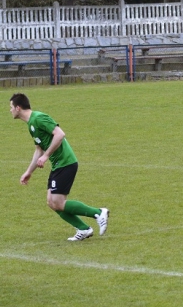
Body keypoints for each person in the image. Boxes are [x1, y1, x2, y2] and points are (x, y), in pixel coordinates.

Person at [9, 93, 109, 241]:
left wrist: (46, 155)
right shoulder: (31, 125)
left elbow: (60, 134)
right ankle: (84, 229)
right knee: (51, 201)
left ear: (18, 108)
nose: (9, 111)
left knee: (58, 201)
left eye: (11, 107)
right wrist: (29, 172)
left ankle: (98, 212)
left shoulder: (39, 118)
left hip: (66, 162)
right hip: (58, 164)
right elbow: (38, 150)